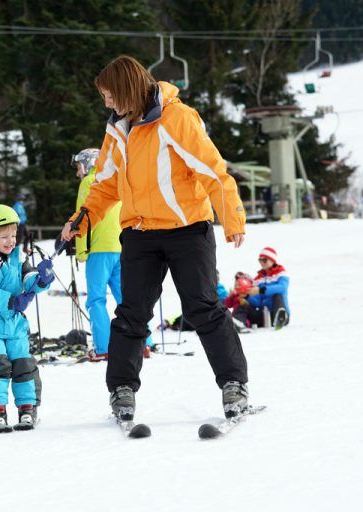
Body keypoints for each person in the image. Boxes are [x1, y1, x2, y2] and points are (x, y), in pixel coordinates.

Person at [60, 55, 250, 423]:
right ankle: (122, 388)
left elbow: (212, 170)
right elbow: (105, 184)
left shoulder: (177, 118)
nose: (106, 102)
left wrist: (232, 216)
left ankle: (234, 383)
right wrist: (81, 219)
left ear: (126, 89)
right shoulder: (117, 129)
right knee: (131, 313)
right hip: (140, 234)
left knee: (203, 308)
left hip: (187, 230)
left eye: (109, 95)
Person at [0, 204, 53, 432]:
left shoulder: (17, 257)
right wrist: (12, 301)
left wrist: (41, 279)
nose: (11, 241)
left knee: (23, 363)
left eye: (14, 235)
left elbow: (28, 279)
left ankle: (27, 407)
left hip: (15, 324)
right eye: (4, 237)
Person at [72, 148, 123, 362]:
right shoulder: (115, 179)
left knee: (96, 299)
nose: (78, 172)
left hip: (99, 249)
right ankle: (142, 344)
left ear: (89, 164)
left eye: (79, 166)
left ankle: (103, 348)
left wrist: (81, 251)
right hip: (121, 247)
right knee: (127, 298)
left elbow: (82, 218)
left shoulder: (89, 182)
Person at [234, 247, 290, 329]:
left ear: (272, 260)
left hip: (277, 312)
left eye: (265, 260)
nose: (262, 263)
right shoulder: (258, 279)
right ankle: (238, 323)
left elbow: (282, 288)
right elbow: (258, 303)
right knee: (244, 306)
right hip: (265, 316)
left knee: (277, 295)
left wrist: (261, 290)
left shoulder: (281, 274)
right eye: (260, 260)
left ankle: (280, 319)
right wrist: (247, 296)